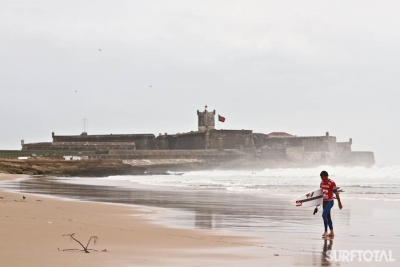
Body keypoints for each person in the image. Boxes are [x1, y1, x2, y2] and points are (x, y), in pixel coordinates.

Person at [320, 170, 342, 237]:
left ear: (326, 176)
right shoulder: (321, 183)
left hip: (330, 201)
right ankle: (332, 232)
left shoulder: (332, 183)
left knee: (324, 215)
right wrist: (318, 203)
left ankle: (326, 231)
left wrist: (339, 203)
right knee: (328, 216)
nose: (321, 179)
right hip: (324, 201)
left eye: (322, 177)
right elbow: (320, 193)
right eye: (321, 177)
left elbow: (336, 193)